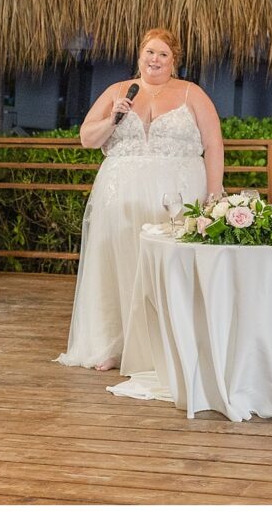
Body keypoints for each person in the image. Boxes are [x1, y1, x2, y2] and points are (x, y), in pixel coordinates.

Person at [56, 28, 224, 371]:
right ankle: (112, 344)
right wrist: (112, 118)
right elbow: (88, 138)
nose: (155, 60)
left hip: (174, 198)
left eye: (163, 54)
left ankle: (166, 345)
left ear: (173, 61)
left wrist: (213, 194)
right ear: (139, 56)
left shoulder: (192, 93)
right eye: (150, 53)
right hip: (120, 197)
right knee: (117, 264)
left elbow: (214, 144)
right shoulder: (117, 91)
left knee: (166, 267)